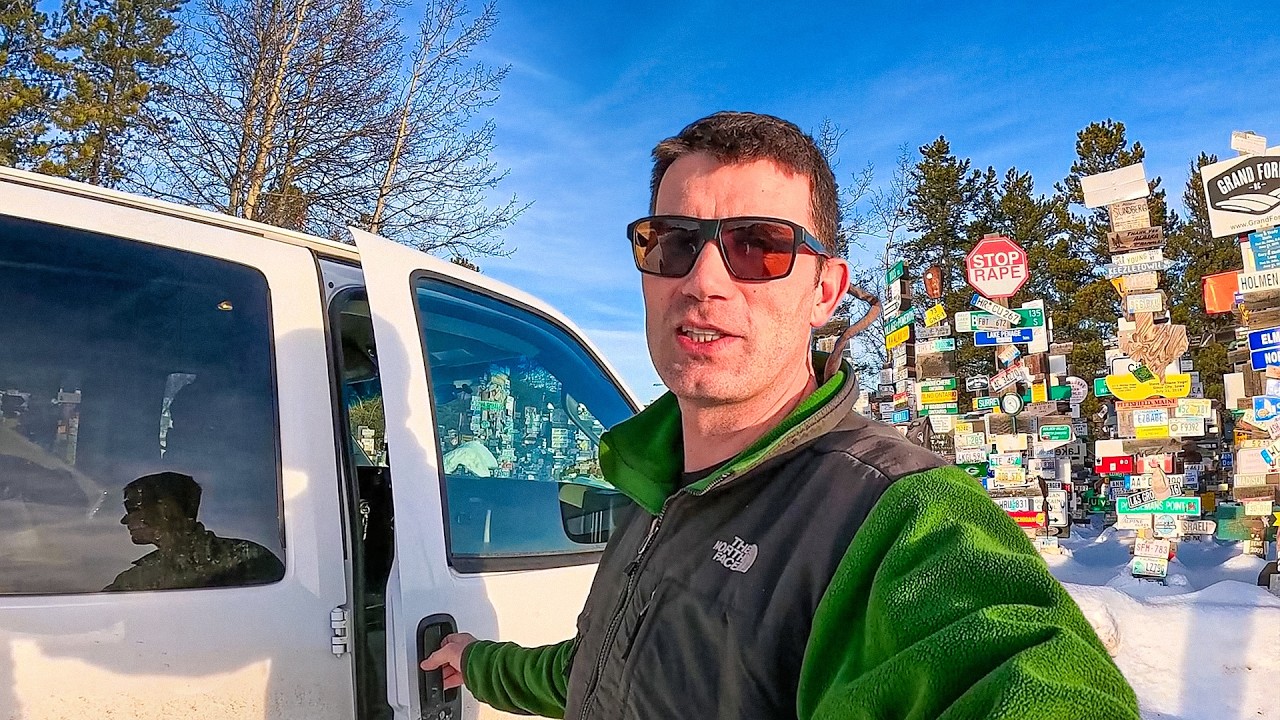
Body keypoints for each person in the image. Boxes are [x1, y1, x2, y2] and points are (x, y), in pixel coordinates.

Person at [423, 111, 1140, 719]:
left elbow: (1024, 675)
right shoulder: (654, 487)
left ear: (825, 291)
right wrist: (478, 662)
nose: (703, 281)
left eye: (759, 247)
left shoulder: (898, 516)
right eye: (674, 242)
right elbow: (600, 671)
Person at [104, 471, 284, 591]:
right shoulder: (139, 576)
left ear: (165, 510)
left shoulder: (249, 561)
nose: (124, 520)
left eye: (132, 508)